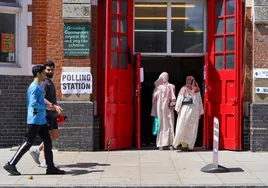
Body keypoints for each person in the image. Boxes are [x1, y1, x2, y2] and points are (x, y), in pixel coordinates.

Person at [3, 65, 65, 175]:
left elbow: (40, 101)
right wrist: (45, 107)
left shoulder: (38, 87)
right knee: (27, 143)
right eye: (43, 73)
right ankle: (11, 164)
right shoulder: (34, 87)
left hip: (41, 120)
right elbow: (33, 104)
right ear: (38, 74)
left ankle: (50, 168)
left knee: (47, 142)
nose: (45, 75)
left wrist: (50, 105)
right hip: (35, 120)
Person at [30, 61, 62, 168]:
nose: (50, 71)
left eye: (52, 69)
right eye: (48, 70)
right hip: (46, 114)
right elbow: (41, 98)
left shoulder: (50, 82)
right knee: (48, 138)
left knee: (55, 135)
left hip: (52, 114)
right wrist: (52, 106)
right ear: (44, 70)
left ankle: (37, 150)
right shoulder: (44, 83)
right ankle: (45, 161)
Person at [173, 76, 204, 151]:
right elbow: (199, 101)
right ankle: (190, 145)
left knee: (183, 126)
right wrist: (200, 112)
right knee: (192, 128)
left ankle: (184, 145)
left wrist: (177, 109)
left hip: (185, 110)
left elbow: (180, 99)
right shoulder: (197, 89)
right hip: (194, 111)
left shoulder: (184, 89)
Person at [151, 72, 176, 150]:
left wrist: (154, 111)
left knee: (162, 125)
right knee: (169, 124)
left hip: (160, 108)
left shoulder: (157, 88)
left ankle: (161, 144)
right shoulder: (171, 86)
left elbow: (154, 100)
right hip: (169, 109)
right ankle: (170, 144)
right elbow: (173, 98)